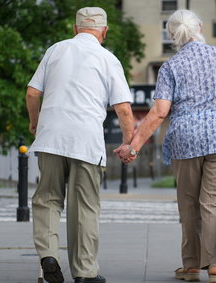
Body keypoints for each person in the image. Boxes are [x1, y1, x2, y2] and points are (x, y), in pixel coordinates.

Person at [114, 10, 216, 283]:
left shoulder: (171, 66)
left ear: (172, 36)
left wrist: (134, 146)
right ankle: (215, 266)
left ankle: (191, 266)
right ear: (199, 27)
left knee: (188, 204)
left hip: (186, 139)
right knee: (214, 205)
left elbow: (160, 112)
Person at [26, 7, 134, 283]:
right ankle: (85, 273)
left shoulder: (55, 50)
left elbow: (32, 92)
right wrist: (128, 143)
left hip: (50, 137)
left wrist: (35, 123)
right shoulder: (108, 58)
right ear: (104, 31)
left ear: (75, 29)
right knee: (84, 207)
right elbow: (122, 108)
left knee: (47, 199)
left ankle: (49, 255)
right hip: (86, 141)